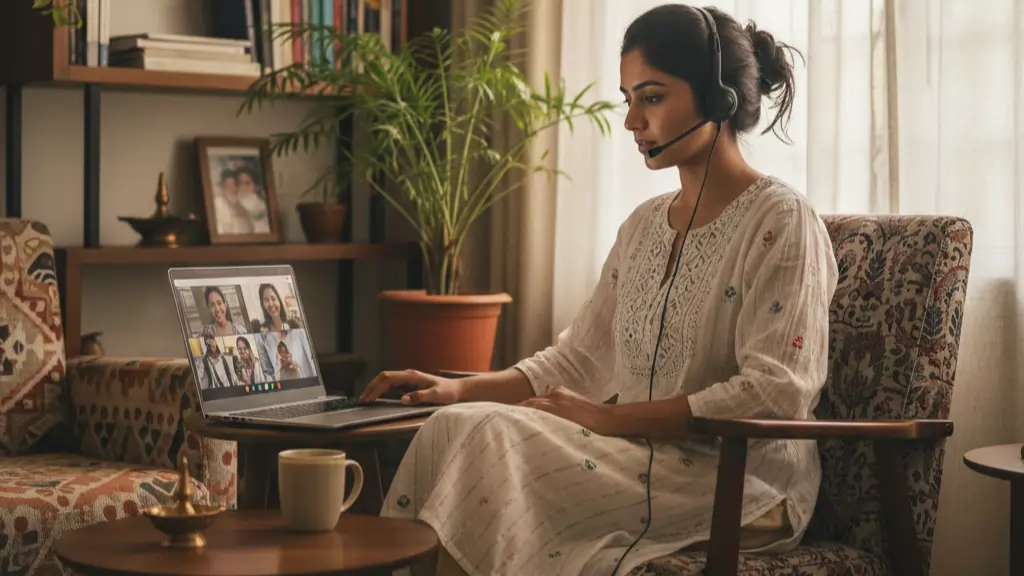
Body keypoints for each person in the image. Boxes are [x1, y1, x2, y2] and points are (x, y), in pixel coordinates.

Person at [360, 5, 839, 576]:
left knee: (493, 440)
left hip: (742, 484)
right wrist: (458, 390)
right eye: (627, 98)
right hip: (636, 460)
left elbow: (776, 391)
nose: (632, 120)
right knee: (452, 427)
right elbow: (579, 358)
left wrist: (609, 420)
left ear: (718, 100)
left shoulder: (781, 220)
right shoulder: (642, 225)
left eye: (652, 97)